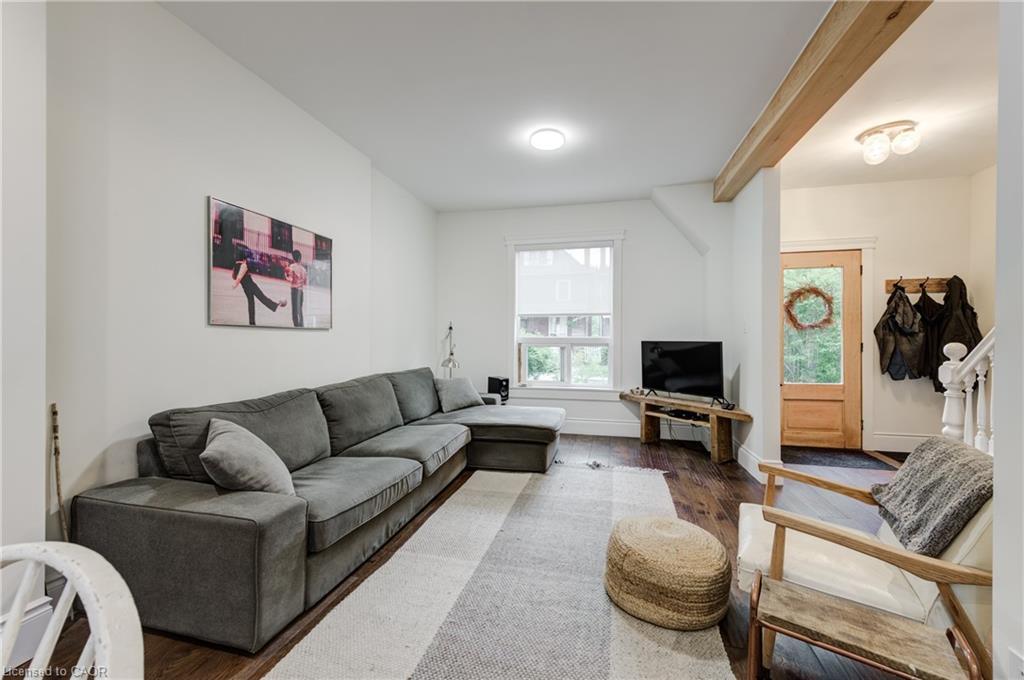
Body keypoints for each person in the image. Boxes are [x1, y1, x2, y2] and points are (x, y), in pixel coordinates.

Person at [232, 246, 286, 326]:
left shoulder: (236, 265)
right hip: (251, 286)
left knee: (251, 302)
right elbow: (239, 277)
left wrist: (237, 279)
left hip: (246, 288)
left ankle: (252, 322)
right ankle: (274, 306)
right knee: (262, 297)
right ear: (244, 258)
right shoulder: (243, 265)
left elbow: (234, 277)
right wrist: (235, 284)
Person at [285, 249, 308, 327]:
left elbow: (290, 279)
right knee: (300, 310)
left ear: (293, 258)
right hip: (301, 291)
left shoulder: (292, 267)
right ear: (300, 258)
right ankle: (301, 325)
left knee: (294, 311)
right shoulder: (304, 270)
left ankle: (296, 326)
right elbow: (305, 282)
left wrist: (286, 274)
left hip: (294, 290)